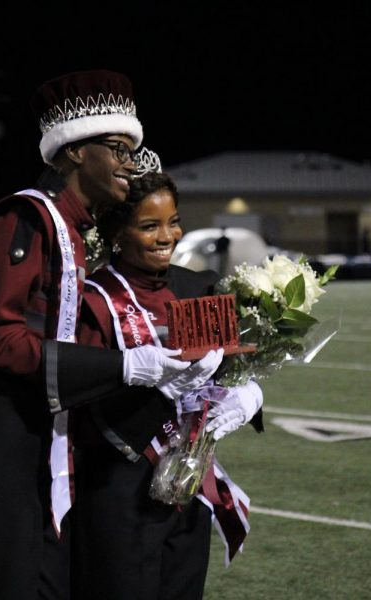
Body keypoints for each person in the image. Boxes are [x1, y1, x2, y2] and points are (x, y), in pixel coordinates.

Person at [0, 70, 223, 599]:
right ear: (74, 151)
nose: (129, 162)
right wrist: (124, 367)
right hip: (7, 443)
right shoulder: (25, 216)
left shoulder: (76, 229)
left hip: (48, 442)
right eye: (117, 148)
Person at [70, 169, 262, 600]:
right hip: (120, 494)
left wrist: (249, 395)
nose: (167, 236)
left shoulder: (199, 287)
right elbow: (83, 410)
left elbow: (233, 366)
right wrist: (162, 393)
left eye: (173, 221)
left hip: (189, 489)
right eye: (149, 225)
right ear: (117, 233)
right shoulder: (94, 301)